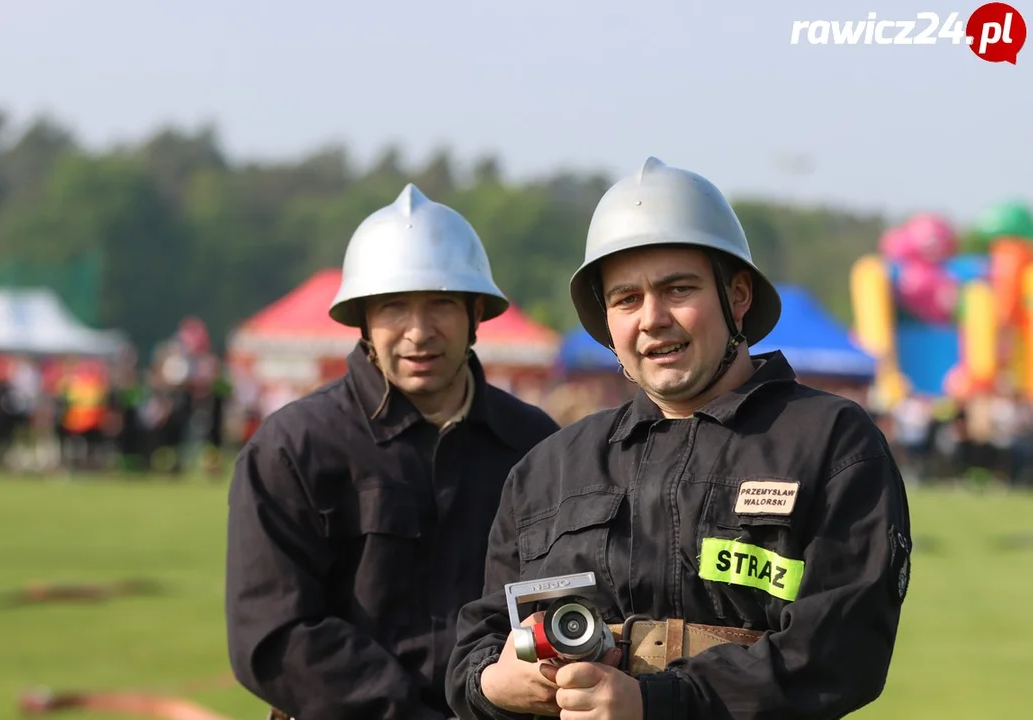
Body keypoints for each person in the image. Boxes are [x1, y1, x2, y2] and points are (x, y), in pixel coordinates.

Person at [447, 157, 912, 720]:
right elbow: (478, 642)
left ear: (737, 296)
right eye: (626, 299)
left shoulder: (829, 443)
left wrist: (655, 703)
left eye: (678, 289)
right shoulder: (550, 468)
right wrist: (491, 684)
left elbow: (839, 651)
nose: (652, 318)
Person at [225, 183, 561, 720]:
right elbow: (275, 633)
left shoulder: (538, 445)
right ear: (362, 319)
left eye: (442, 304)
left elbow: (558, 604)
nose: (418, 332)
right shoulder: (292, 449)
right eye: (394, 307)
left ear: (477, 313)